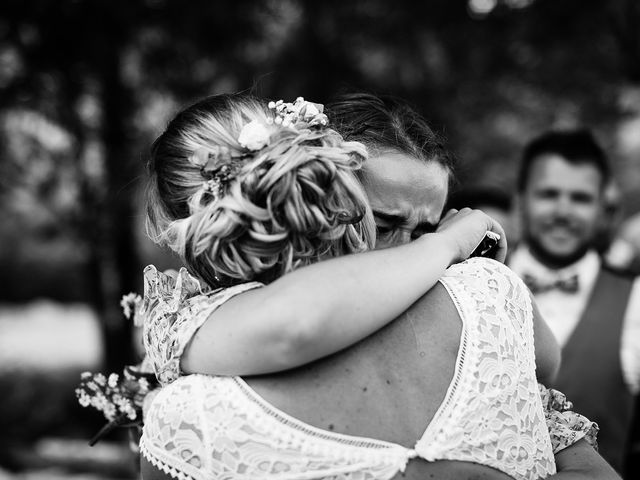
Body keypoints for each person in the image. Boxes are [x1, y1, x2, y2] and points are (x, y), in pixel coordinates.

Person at [138, 94, 611, 479]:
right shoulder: (213, 342)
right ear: (328, 198)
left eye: (425, 233)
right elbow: (294, 323)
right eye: (384, 225)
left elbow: (552, 395)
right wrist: (446, 244)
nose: (407, 254)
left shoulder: (481, 304)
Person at [508, 128, 640, 475]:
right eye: (549, 194)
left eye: (580, 198)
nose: (563, 211)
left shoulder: (635, 300)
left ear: (601, 207)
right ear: (520, 199)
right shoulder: (470, 285)